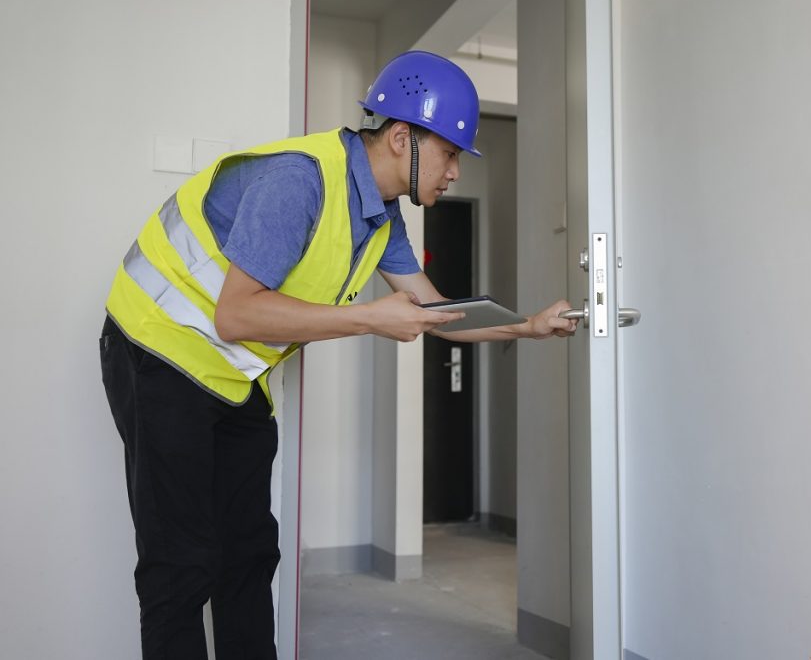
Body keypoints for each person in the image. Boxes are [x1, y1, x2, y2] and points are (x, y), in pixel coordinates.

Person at [99, 50, 576, 659]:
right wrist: (369, 319)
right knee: (181, 560)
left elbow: (438, 314)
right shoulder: (299, 181)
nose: (454, 172)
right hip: (154, 353)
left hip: (231, 377)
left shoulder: (381, 218)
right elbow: (236, 313)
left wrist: (529, 327)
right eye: (451, 154)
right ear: (403, 137)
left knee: (248, 552)